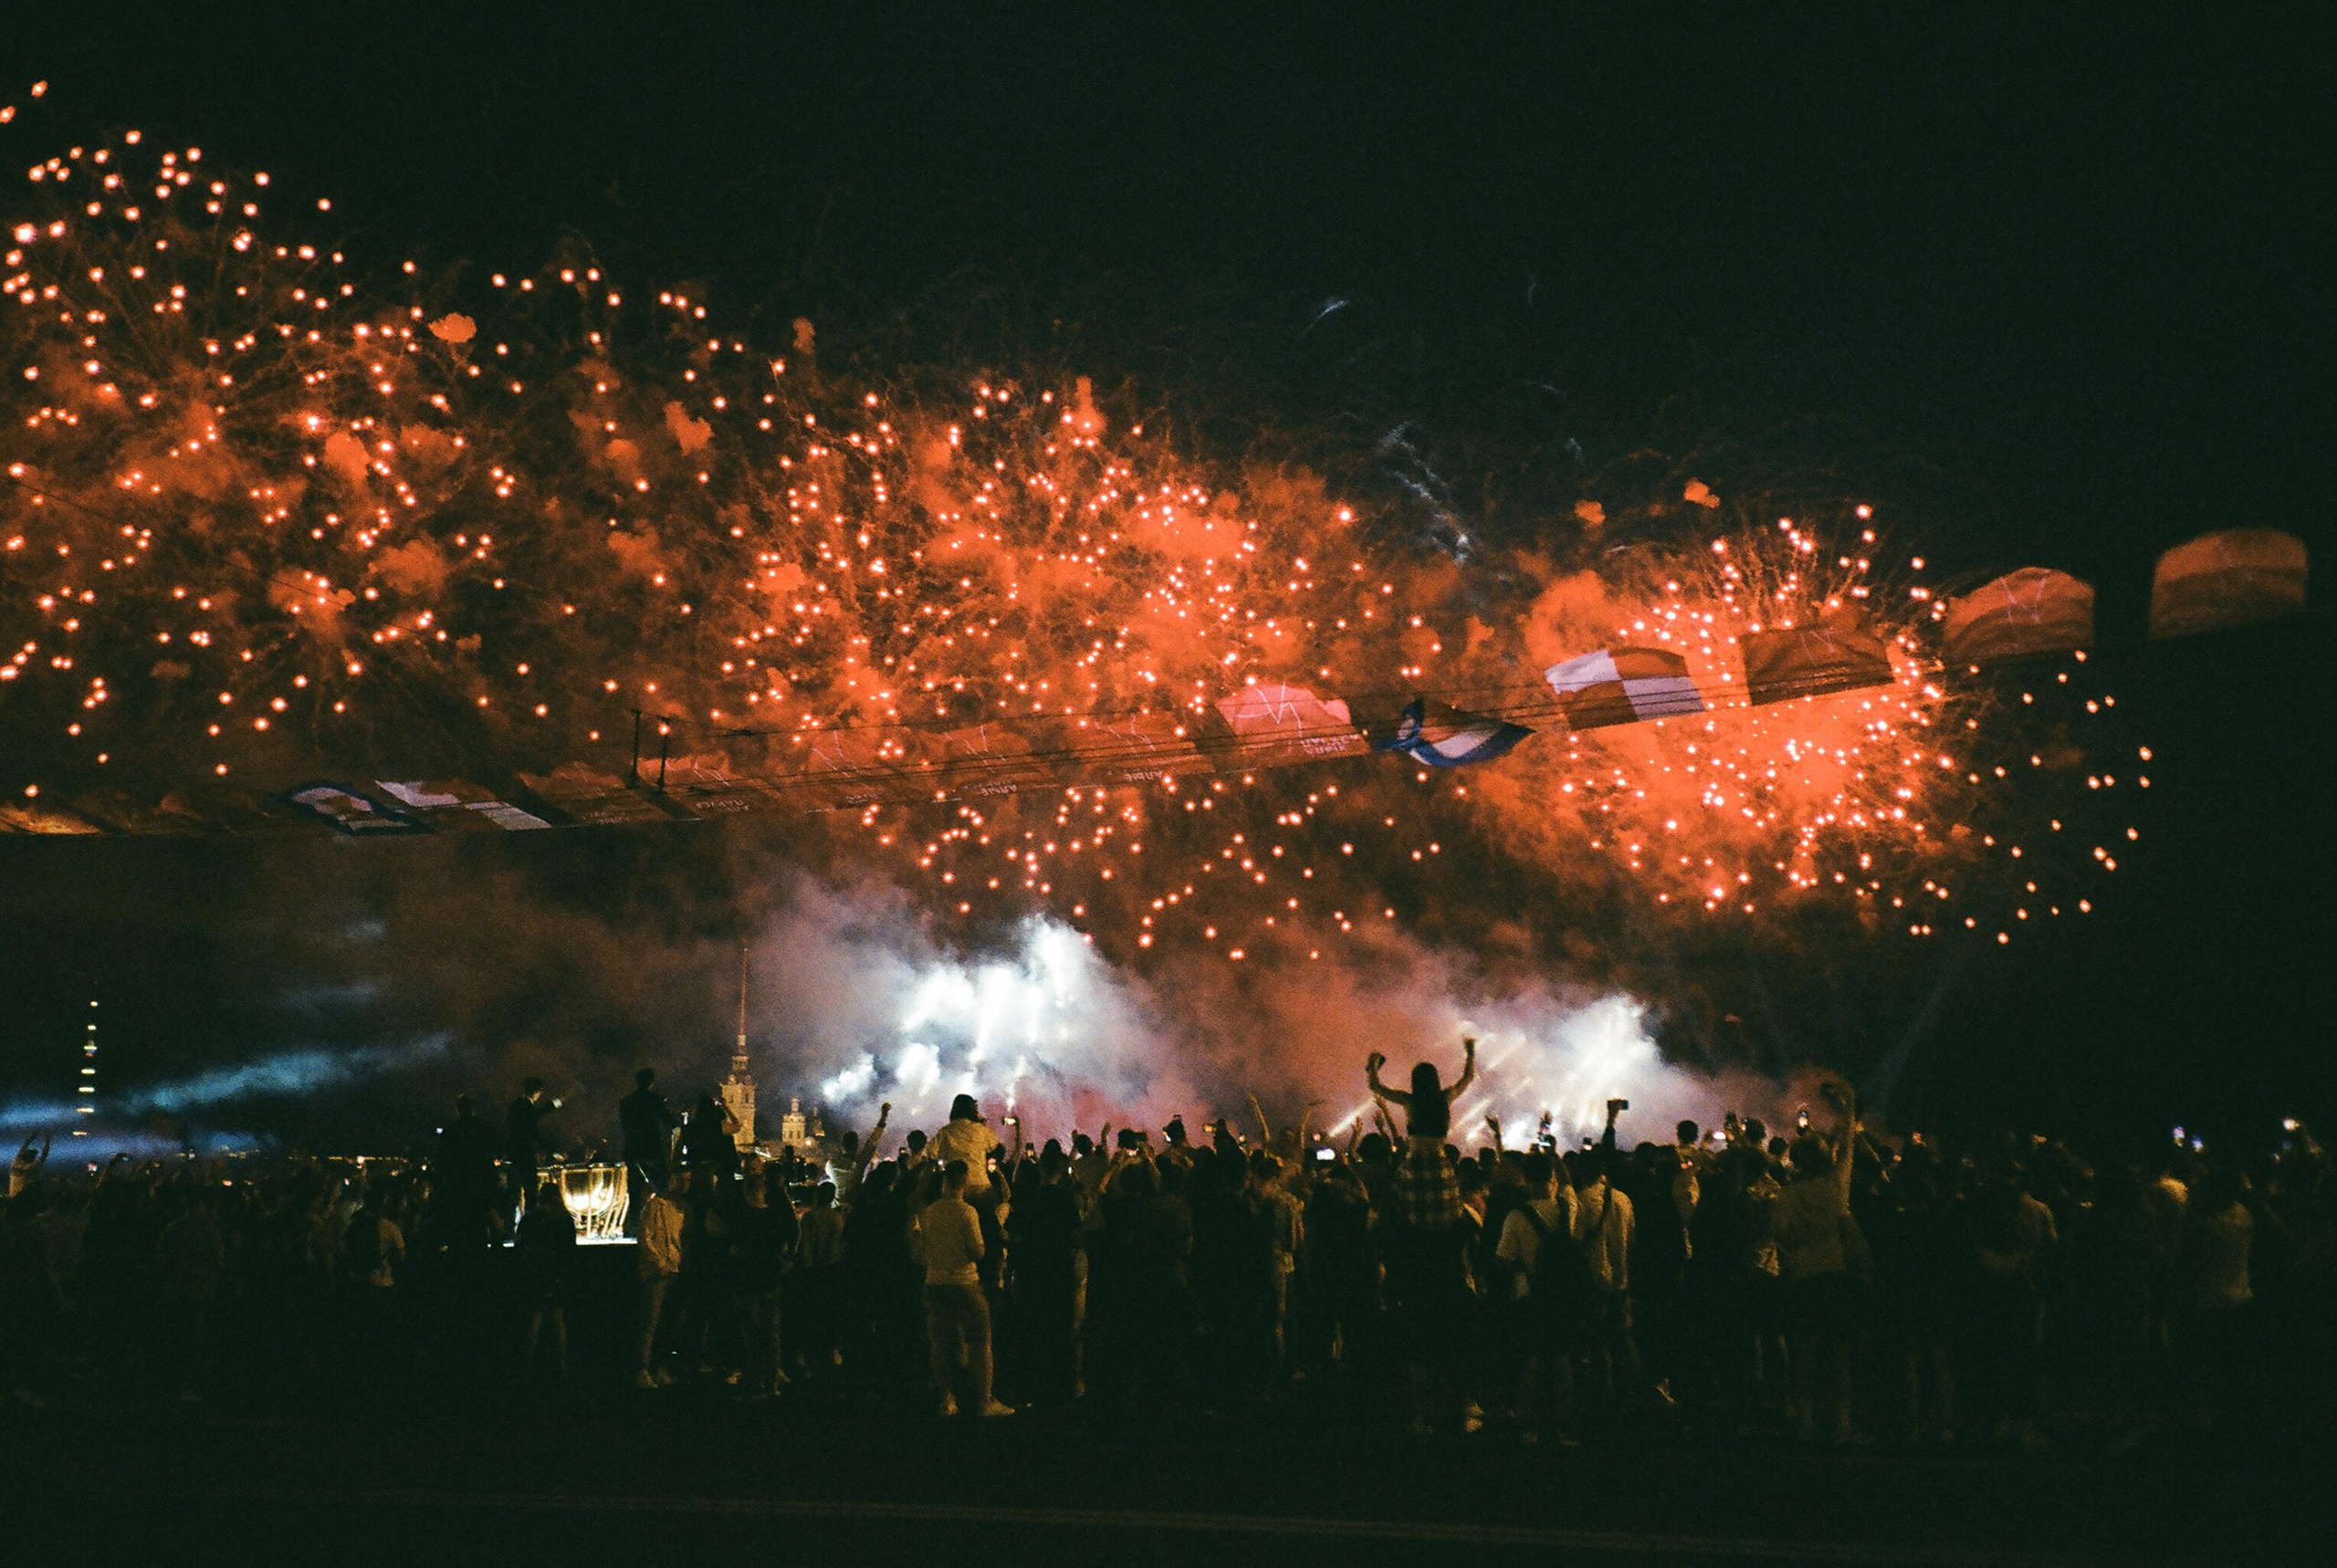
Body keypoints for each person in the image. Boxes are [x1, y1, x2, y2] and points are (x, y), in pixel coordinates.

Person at [916, 1160, 1011, 1417]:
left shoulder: (931, 1211)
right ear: (965, 1182)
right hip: (964, 1282)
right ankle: (984, 1401)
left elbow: (921, 1248)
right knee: (981, 1341)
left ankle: (946, 1399)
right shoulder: (967, 1212)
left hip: (935, 1282)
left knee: (941, 1342)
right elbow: (977, 1251)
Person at [517, 1176, 575, 1381]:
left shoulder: (529, 1220)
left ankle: (527, 1369)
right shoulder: (565, 1221)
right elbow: (569, 1251)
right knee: (558, 1323)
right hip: (556, 1276)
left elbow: (520, 1246)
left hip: (536, 1276)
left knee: (534, 1321)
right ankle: (563, 1368)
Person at [634, 1169, 687, 1389]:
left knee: (666, 1324)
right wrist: (659, 1263)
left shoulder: (682, 1209)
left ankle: (659, 1369)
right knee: (651, 1323)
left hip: (673, 1270)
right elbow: (645, 1238)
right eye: (682, 1180)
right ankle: (643, 1370)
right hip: (658, 1273)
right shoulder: (655, 1207)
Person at [504, 1079, 559, 1227]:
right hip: (525, 1155)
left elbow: (533, 1116)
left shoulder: (516, 1106)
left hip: (513, 1155)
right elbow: (534, 1131)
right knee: (531, 1193)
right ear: (535, 1091)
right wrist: (551, 1151)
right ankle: (530, 1226)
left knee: (513, 1193)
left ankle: (509, 1227)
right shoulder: (527, 1107)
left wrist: (551, 1106)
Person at [619, 1069, 680, 1197]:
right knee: (661, 1186)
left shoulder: (626, 1102)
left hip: (632, 1148)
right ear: (651, 1081)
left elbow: (625, 1126)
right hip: (651, 1148)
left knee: (634, 1191)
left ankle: (636, 1215)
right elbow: (668, 1120)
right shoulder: (654, 1100)